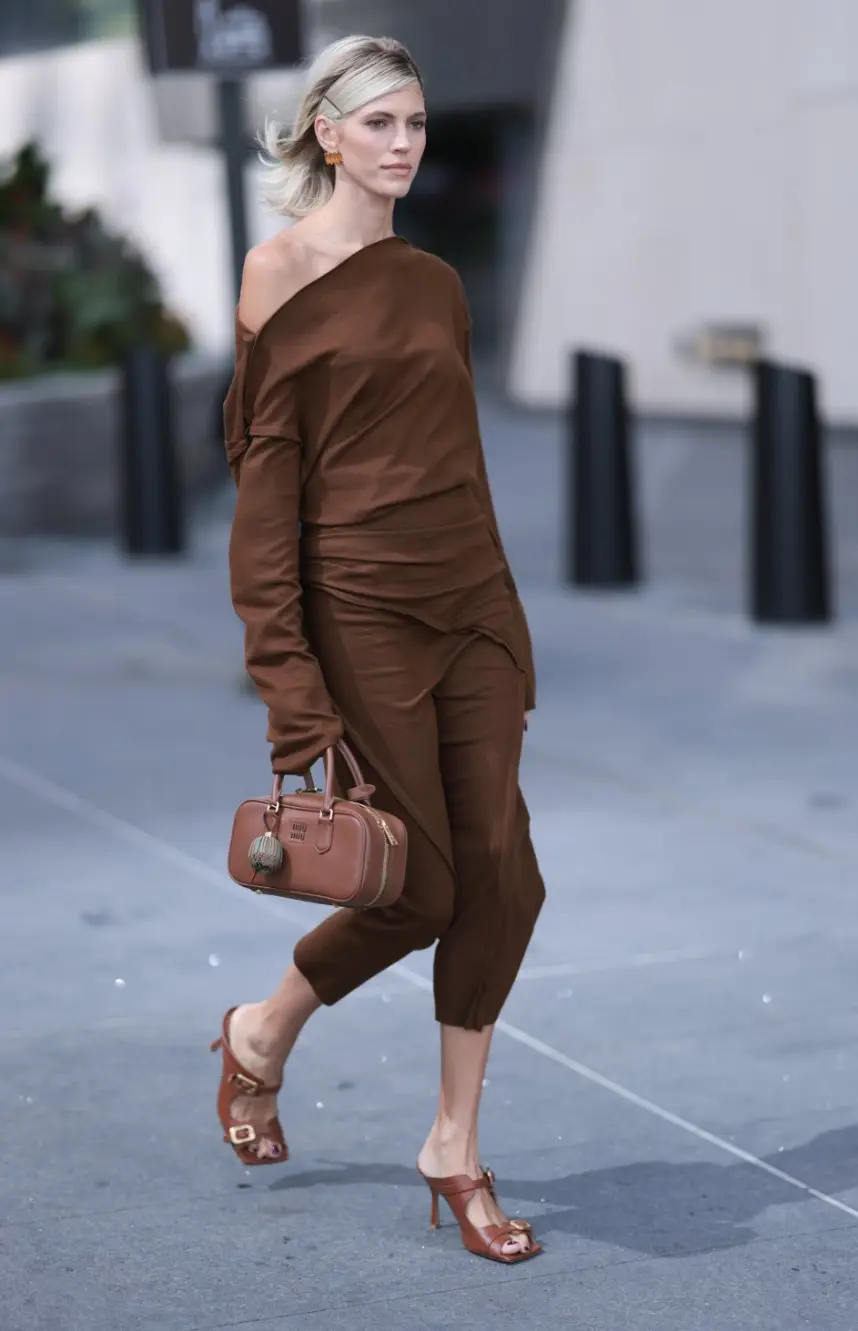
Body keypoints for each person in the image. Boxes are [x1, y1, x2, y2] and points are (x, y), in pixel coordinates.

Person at [215, 33, 546, 1265]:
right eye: (384, 123)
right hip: (359, 611)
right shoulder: (279, 275)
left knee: (503, 875)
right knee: (417, 883)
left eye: (417, 123)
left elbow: (461, 464)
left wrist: (507, 617)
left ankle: (452, 1146)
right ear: (327, 133)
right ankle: (262, 1028)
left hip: (472, 609)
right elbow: (267, 499)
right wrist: (290, 688)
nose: (406, 144)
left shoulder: (436, 283)